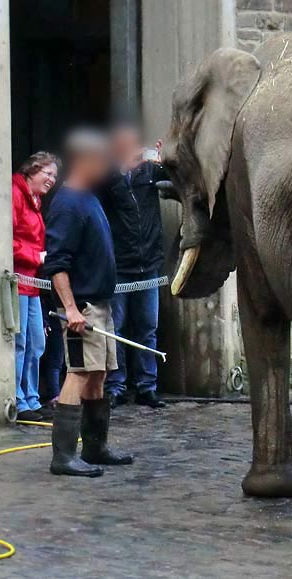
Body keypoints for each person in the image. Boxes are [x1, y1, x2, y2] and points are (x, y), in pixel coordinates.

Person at [43, 129, 133, 477]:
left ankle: (96, 448)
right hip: (82, 308)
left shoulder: (89, 198)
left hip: (102, 302)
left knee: (98, 374)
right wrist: (69, 309)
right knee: (78, 374)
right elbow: (57, 264)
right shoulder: (66, 205)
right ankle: (63, 457)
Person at [98, 124, 167, 409]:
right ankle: (116, 385)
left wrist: (167, 158)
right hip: (120, 265)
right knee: (117, 327)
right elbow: (100, 195)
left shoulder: (150, 172)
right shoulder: (107, 175)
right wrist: (122, 170)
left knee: (148, 326)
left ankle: (146, 386)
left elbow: (183, 178)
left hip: (148, 263)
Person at [12, 152, 60, 422]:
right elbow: (6, 239)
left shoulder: (36, 200)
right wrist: (36, 257)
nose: (52, 179)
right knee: (20, 342)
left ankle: (31, 396)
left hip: (32, 285)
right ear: (32, 170)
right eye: (48, 173)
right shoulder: (15, 194)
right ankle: (19, 400)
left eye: (54, 175)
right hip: (19, 281)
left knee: (36, 343)